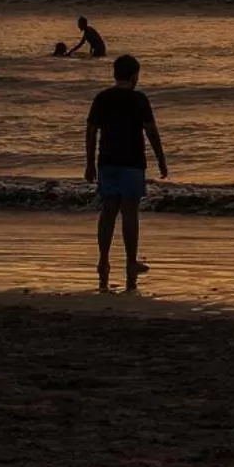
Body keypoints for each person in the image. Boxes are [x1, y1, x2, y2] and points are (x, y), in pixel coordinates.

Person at [84, 53, 167, 292]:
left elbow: (91, 132)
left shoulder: (102, 98)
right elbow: (151, 132)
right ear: (134, 76)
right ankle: (130, 262)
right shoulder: (139, 99)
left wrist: (89, 163)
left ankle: (103, 260)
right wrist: (161, 159)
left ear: (115, 74)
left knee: (108, 210)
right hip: (132, 162)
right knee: (130, 213)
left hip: (107, 161)